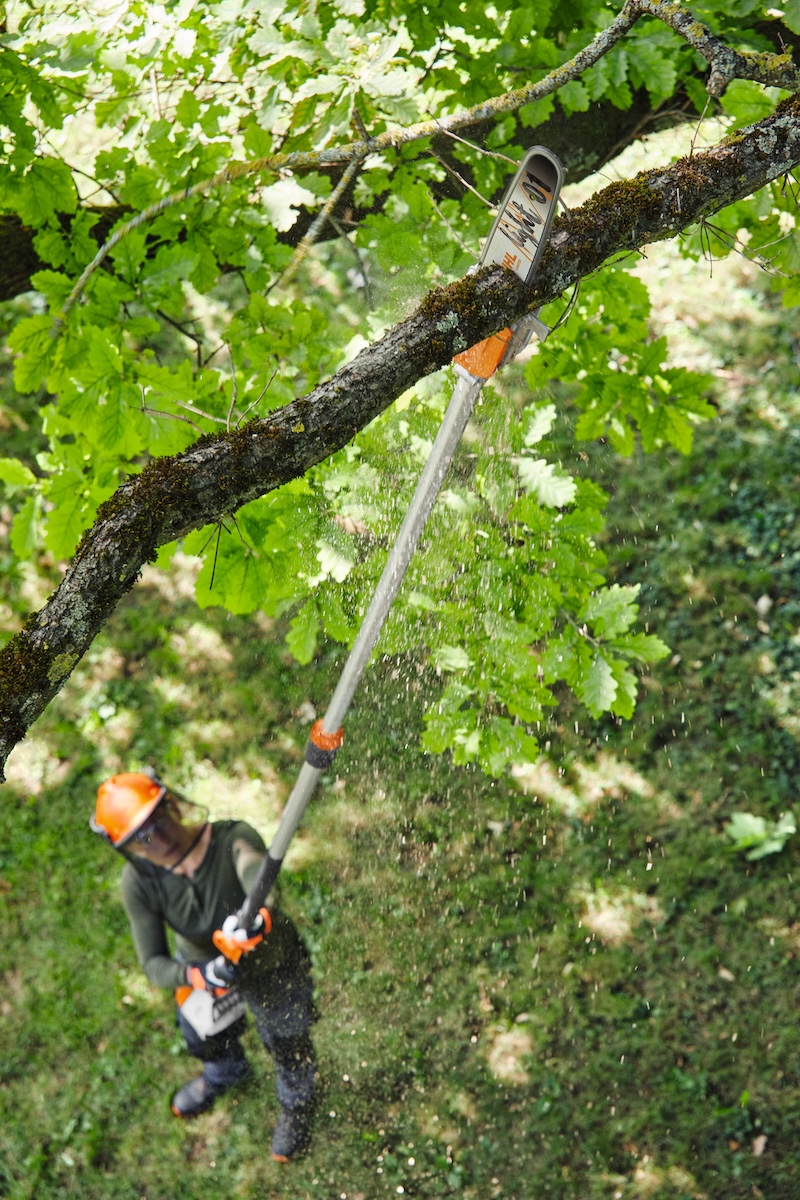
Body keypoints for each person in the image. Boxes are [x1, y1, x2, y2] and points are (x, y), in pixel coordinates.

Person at [91, 769, 317, 1162]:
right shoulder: (139, 882)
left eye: (158, 821)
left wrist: (257, 910)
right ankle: (224, 1072)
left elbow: (254, 867)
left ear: (173, 805)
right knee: (201, 1034)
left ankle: (298, 1103)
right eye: (141, 837)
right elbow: (153, 963)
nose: (156, 839)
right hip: (204, 971)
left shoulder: (232, 838)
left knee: (288, 1037)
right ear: (128, 847)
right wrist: (199, 975)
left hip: (271, 962)